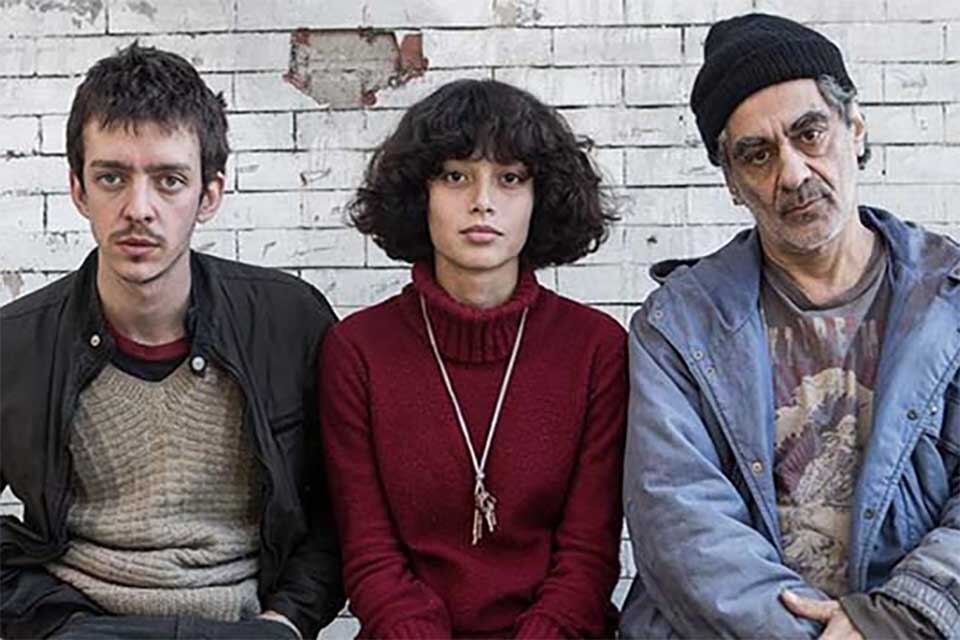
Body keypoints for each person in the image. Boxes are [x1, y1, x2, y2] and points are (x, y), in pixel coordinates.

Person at [620, 12, 960, 640]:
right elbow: (679, 523)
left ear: (855, 128)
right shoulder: (676, 328)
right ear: (730, 181)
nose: (794, 174)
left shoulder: (950, 301)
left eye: (810, 134)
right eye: (757, 155)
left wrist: (893, 619)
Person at [0, 43, 345, 639]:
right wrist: (46, 624)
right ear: (79, 190)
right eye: (111, 177)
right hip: (79, 624)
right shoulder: (18, 343)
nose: (139, 209)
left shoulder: (289, 321)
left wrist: (286, 622)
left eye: (169, 180)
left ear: (208, 195)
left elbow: (342, 507)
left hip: (244, 625)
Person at [320, 79, 627, 638]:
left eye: (510, 178)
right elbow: (368, 552)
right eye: (455, 176)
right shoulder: (356, 350)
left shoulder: (597, 349)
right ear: (420, 193)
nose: (482, 200)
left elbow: (589, 555)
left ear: (540, 196)